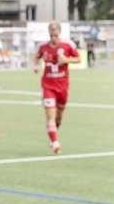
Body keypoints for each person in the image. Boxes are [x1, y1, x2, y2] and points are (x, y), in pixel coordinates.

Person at [33, 22, 80, 154]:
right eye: (51, 34)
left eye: (56, 34)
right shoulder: (43, 46)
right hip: (48, 85)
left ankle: (53, 134)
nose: (54, 37)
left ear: (59, 32)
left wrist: (66, 60)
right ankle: (55, 142)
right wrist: (36, 66)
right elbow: (37, 57)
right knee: (50, 115)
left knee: (59, 115)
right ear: (49, 33)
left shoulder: (67, 45)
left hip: (63, 86)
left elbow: (78, 58)